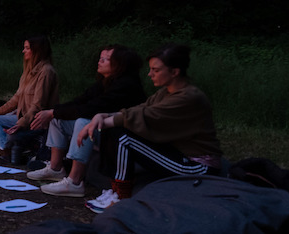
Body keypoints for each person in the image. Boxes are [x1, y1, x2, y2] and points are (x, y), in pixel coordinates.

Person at [67, 43, 222, 212]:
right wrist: (102, 116)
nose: (150, 74)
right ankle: (114, 190)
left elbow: (147, 116)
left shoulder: (189, 97)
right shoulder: (165, 92)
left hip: (197, 166)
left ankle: (121, 195)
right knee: (117, 130)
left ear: (174, 72)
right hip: (178, 154)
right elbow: (139, 109)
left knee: (123, 137)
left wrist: (103, 121)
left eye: (156, 70)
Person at [34, 44, 147, 197]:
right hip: (104, 130)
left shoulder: (127, 85)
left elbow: (91, 109)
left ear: (120, 64)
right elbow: (80, 101)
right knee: (57, 119)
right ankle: (55, 169)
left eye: (105, 59)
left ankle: (74, 182)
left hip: (120, 137)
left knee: (84, 122)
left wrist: (54, 112)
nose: (99, 62)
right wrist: (53, 112)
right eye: (100, 58)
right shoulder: (106, 82)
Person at [0, 36, 58, 159]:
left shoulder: (46, 72)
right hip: (22, 116)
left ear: (36, 50)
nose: (23, 51)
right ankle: (1, 148)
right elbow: (16, 99)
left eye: (26, 48)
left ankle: (3, 149)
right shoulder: (28, 71)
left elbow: (38, 106)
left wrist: (20, 123)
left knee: (11, 135)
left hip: (35, 121)